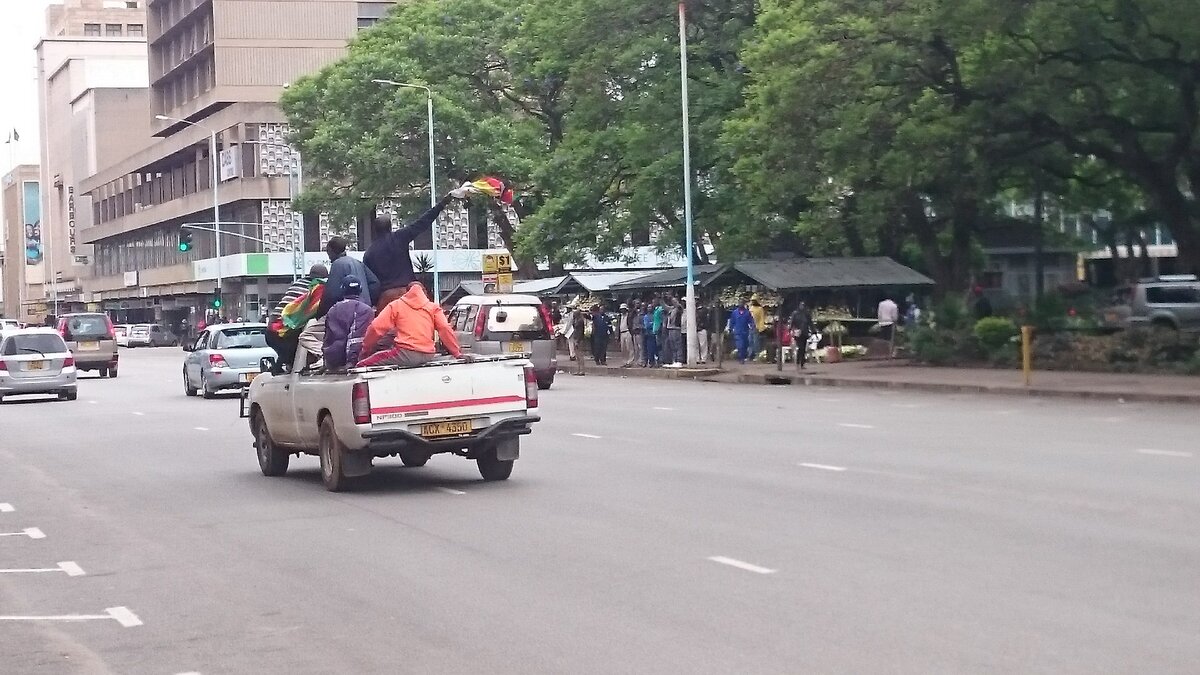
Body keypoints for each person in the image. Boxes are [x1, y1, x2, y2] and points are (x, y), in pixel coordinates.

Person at [363, 183, 475, 312]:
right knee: (425, 321)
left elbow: (371, 284)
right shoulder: (399, 237)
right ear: (390, 228)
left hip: (386, 298)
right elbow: (423, 222)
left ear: (375, 231)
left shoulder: (369, 253)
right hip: (409, 292)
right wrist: (445, 200)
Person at [357, 282, 461, 367]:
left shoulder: (396, 305)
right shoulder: (432, 307)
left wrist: (365, 349)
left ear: (406, 292)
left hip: (405, 353)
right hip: (428, 354)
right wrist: (457, 353)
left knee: (362, 365)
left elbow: (375, 328)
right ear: (424, 292)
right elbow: (444, 328)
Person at [265, 263, 328, 372]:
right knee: (293, 349)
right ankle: (278, 368)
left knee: (290, 353)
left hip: (271, 328)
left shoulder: (298, 283)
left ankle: (279, 367)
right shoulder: (316, 288)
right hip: (281, 330)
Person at [322, 276, 374, 371]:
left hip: (332, 362)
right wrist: (351, 363)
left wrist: (326, 362)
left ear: (342, 290)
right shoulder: (365, 310)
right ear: (360, 289)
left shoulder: (333, 309)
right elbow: (355, 338)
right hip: (351, 363)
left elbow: (327, 338)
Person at [727, 299, 756, 364]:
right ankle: (741, 358)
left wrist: (752, 326)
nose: (741, 304)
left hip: (745, 332)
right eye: (740, 303)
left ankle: (743, 356)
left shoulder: (747, 312)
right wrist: (730, 329)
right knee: (740, 345)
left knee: (744, 345)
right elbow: (732, 321)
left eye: (742, 303)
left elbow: (751, 320)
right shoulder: (735, 312)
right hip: (737, 332)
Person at [789, 301, 813, 370]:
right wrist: (791, 329)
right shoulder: (795, 314)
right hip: (798, 333)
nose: (802, 307)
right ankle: (798, 362)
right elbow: (792, 322)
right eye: (801, 305)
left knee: (803, 349)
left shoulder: (806, 314)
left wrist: (813, 331)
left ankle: (802, 363)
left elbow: (810, 323)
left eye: (803, 305)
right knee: (800, 347)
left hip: (805, 333)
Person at [664, 298, 683, 366]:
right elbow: (664, 306)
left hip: (676, 328)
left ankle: (679, 360)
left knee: (677, 345)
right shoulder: (671, 309)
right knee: (672, 345)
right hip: (670, 328)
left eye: (674, 301)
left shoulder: (679, 309)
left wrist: (672, 297)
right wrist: (661, 299)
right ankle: (674, 360)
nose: (673, 302)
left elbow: (678, 305)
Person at [571, 305, 588, 375]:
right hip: (576, 338)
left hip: (579, 339)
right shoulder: (576, 320)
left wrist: (577, 341)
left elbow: (580, 332)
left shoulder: (580, 321)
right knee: (577, 356)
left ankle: (582, 370)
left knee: (580, 355)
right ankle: (578, 370)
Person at [627, 301, 645, 367]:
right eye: (635, 303)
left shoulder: (642, 313)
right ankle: (636, 361)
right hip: (634, 332)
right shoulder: (633, 313)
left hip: (640, 331)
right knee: (636, 348)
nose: (637, 305)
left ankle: (642, 360)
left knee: (641, 347)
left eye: (638, 303)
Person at [618, 303, 635, 368]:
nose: (622, 310)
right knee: (623, 348)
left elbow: (633, 311)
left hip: (627, 332)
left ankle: (630, 361)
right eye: (621, 309)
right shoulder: (620, 316)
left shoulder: (629, 315)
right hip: (621, 333)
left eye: (624, 309)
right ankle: (625, 362)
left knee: (629, 348)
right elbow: (618, 326)